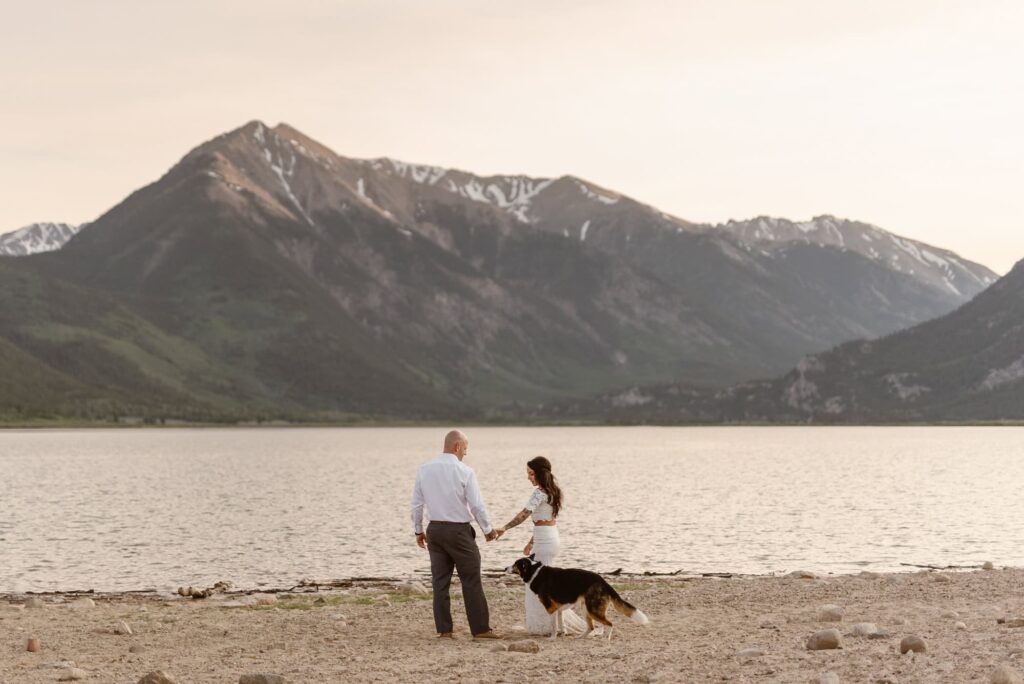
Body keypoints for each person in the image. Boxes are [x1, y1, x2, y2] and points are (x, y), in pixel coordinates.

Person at [410, 429, 501, 641]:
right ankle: (480, 630)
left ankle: (445, 630)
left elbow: (416, 504)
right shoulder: (465, 471)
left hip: (434, 531)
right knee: (471, 580)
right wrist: (487, 530)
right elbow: (477, 505)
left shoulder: (424, 469)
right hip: (458, 532)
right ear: (457, 446)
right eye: (466, 449)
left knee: (439, 582)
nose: (466, 453)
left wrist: (418, 530)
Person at [494, 456, 587, 635]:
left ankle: (546, 628)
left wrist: (504, 528)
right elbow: (544, 520)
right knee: (550, 584)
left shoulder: (539, 493)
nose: (528, 477)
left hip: (545, 541)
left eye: (530, 473)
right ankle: (558, 626)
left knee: (538, 586)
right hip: (550, 537)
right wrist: (531, 542)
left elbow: (525, 514)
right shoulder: (554, 491)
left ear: (539, 473)